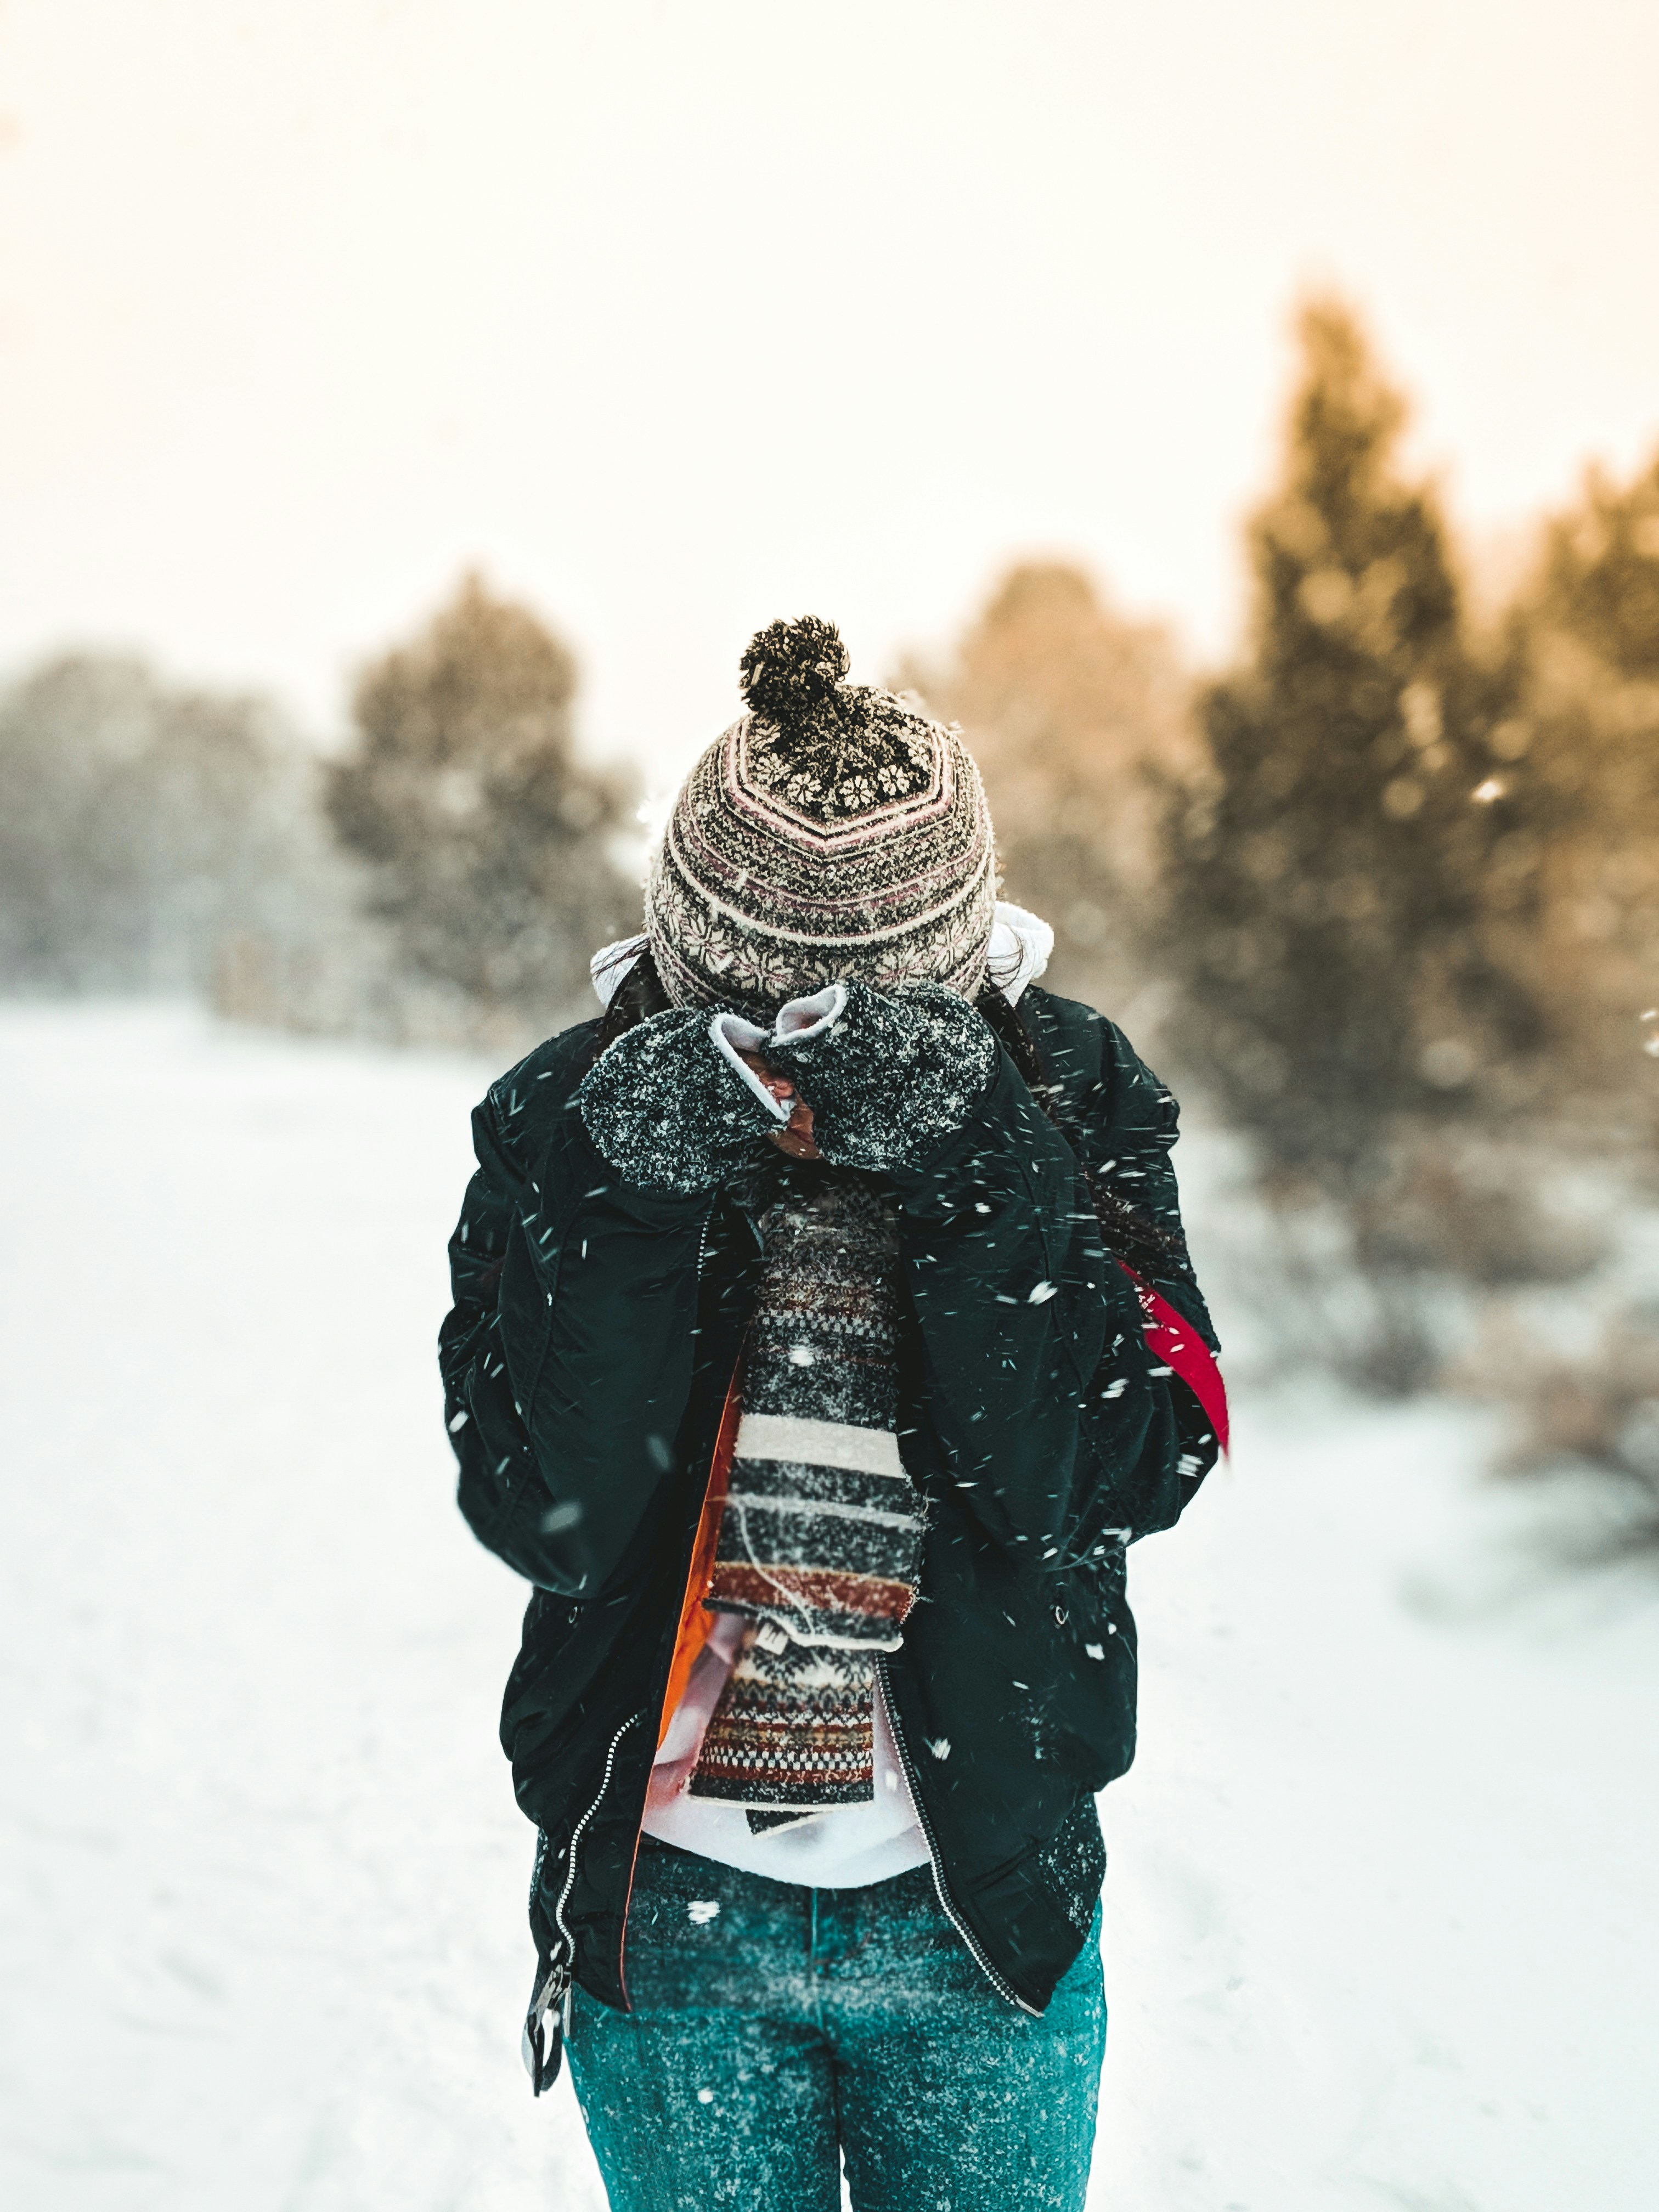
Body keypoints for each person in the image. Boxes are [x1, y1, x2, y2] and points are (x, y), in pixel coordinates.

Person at [439, 616, 1225, 2211]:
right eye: (763, 1028)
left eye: (849, 1034)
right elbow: (550, 1507)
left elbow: (1139, 1454)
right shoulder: (564, 1119)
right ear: (678, 963)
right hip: (668, 1928)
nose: (803, 1080)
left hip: (979, 1914)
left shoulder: (1068, 1097)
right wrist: (630, 1192)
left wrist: (974, 1159)